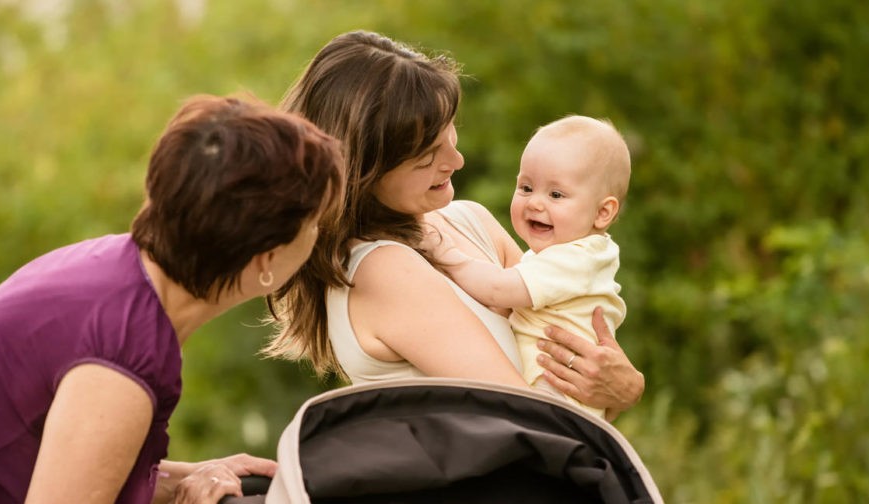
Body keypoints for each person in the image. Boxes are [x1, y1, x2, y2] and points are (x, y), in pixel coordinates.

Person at [0, 95, 347, 504]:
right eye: (315, 224)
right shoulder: (119, 361)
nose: (321, 234)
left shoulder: (115, 268)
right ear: (265, 262)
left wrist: (186, 477)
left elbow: (57, 463)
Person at [265, 30, 645, 420]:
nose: (456, 160)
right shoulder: (382, 269)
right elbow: (534, 420)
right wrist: (623, 392)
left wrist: (625, 387)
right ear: (366, 171)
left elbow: (574, 368)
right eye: (428, 155)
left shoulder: (471, 220)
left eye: (449, 131)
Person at [426, 115, 632, 418]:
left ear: (603, 212)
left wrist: (446, 255)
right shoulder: (572, 254)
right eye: (525, 187)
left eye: (556, 194)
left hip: (556, 395)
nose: (535, 203)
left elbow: (498, 289)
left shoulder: (577, 259)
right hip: (554, 395)